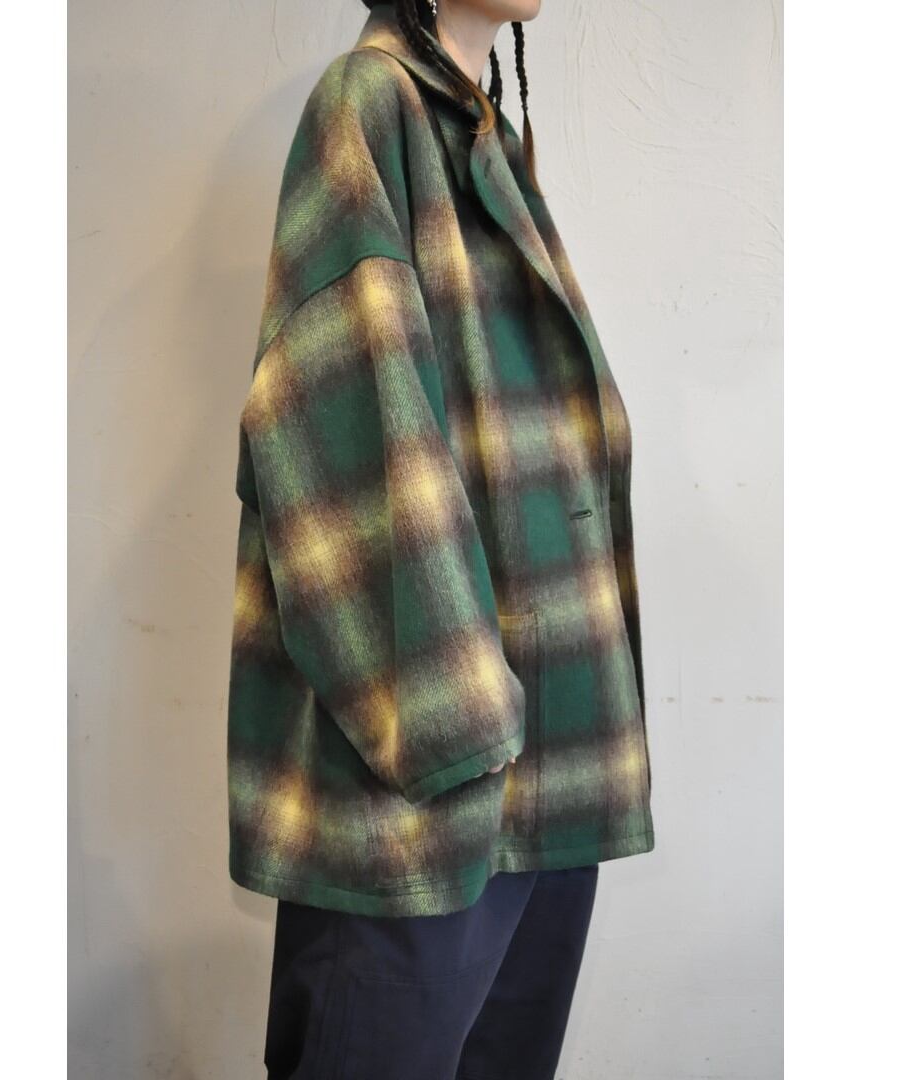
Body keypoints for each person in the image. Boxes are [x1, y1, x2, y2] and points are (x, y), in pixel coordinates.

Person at [225, 1, 655, 1075]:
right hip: (427, 782)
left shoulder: (478, 129)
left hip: (543, 769)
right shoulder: (366, 105)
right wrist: (456, 731)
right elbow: (342, 434)